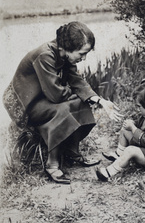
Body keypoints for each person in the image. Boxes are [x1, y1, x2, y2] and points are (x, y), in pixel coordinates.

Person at [3, 21, 122, 184]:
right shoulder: (45, 55)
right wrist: (75, 95)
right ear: (68, 47)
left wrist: (99, 100)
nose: (84, 58)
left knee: (82, 103)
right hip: (24, 105)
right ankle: (52, 164)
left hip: (42, 97)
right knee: (65, 109)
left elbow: (76, 81)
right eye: (82, 53)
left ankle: (71, 152)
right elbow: (55, 95)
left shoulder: (64, 54)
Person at [96, 80, 145, 181]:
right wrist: (132, 124)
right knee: (125, 130)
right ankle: (119, 156)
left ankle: (109, 172)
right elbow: (140, 125)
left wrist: (133, 128)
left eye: (139, 107)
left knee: (130, 150)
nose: (137, 109)